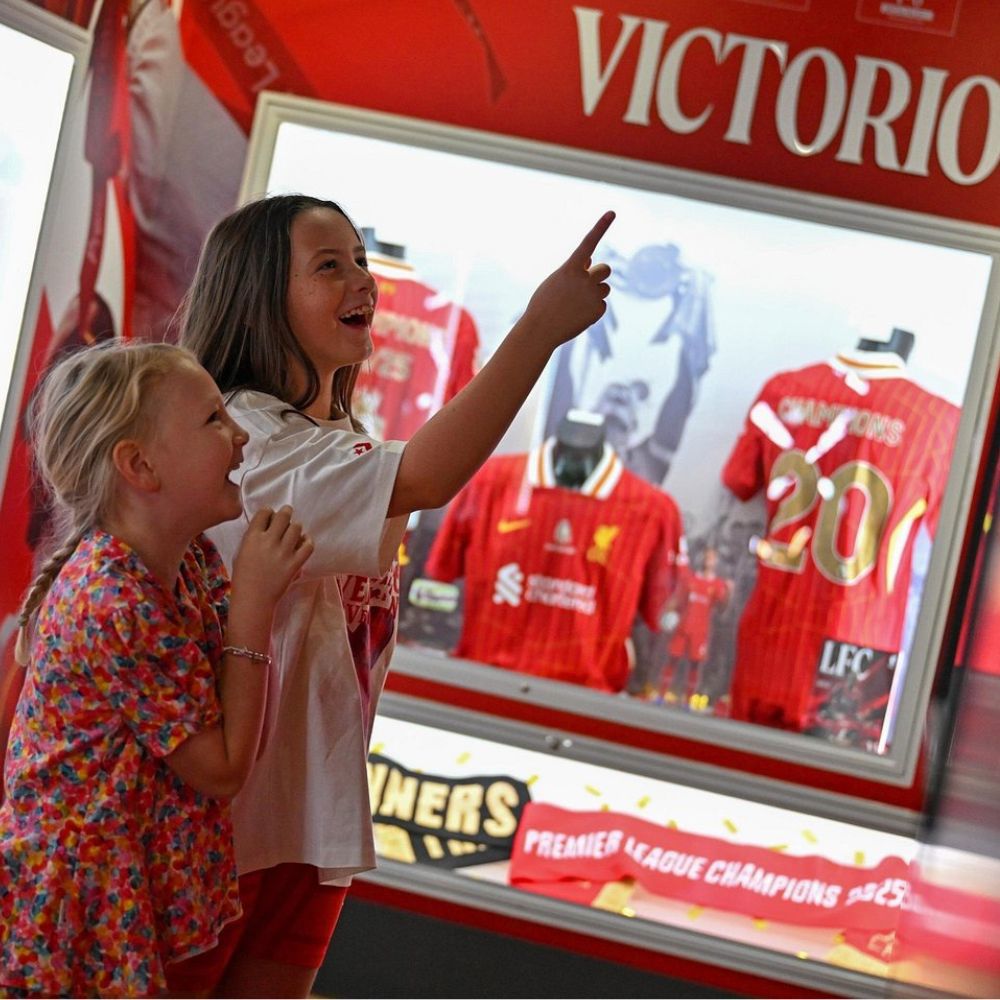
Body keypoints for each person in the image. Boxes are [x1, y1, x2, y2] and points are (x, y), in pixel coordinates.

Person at [172, 193, 614, 997]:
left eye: (362, 262)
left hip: (306, 812)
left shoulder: (327, 442)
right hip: (227, 822)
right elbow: (428, 475)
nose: (363, 283)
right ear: (259, 295)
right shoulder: (247, 443)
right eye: (329, 266)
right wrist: (539, 329)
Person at [0, 340, 313, 998]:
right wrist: (257, 601)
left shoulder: (191, 561)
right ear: (139, 465)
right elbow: (223, 766)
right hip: (74, 916)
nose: (239, 435)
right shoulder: (113, 601)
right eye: (212, 421)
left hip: (121, 891)